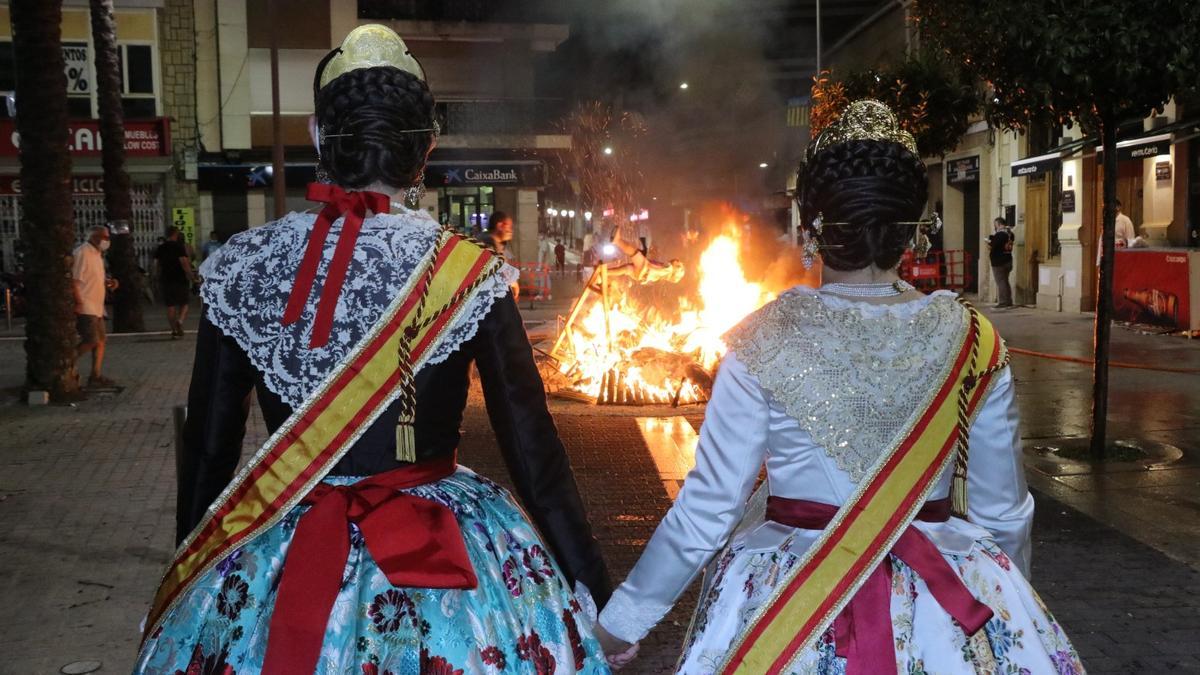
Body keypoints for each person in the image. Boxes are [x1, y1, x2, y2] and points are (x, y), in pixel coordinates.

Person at [135, 25, 611, 674]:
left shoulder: (242, 266)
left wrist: (186, 571)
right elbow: (532, 448)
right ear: (427, 147)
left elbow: (211, 447)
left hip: (280, 541)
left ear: (317, 136)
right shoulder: (468, 271)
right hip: (447, 556)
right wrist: (594, 585)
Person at [594, 100, 1083, 674]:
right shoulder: (973, 339)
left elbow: (709, 509)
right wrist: (1006, 607)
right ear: (913, 229)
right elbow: (1003, 512)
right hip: (945, 606)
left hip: (788, 603)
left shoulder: (760, 339)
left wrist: (617, 623)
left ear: (813, 227)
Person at [72, 226, 117, 388]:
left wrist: (109, 282)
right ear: (95, 237)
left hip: (97, 306)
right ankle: (68, 361)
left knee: (100, 341)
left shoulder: (97, 255)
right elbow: (74, 281)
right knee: (91, 340)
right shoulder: (82, 253)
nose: (107, 241)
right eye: (105, 237)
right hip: (86, 306)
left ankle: (95, 375)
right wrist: (78, 302)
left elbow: (94, 277)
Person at [605, 226, 684, 284]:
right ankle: (606, 273)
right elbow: (655, 275)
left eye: (678, 263)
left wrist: (648, 265)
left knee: (634, 252)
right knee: (626, 269)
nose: (677, 260)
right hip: (640, 276)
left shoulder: (669, 268)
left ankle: (617, 240)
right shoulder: (666, 275)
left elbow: (656, 269)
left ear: (676, 269)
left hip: (644, 268)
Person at [155, 227, 195, 338]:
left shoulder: (161, 248)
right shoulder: (179, 247)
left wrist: (157, 277)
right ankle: (180, 320)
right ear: (175, 234)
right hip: (180, 279)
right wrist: (191, 277)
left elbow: (157, 265)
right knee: (184, 303)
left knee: (170, 306)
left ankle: (174, 330)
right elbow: (184, 263)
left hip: (166, 279)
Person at [988, 216, 1014, 307]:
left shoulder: (1000, 235)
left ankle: (1003, 302)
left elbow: (993, 246)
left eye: (995, 225)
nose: (995, 227)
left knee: (1001, 282)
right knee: (1005, 281)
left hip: (999, 262)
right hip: (1008, 260)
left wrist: (989, 243)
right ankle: (1008, 300)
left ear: (999, 224)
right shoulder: (1010, 234)